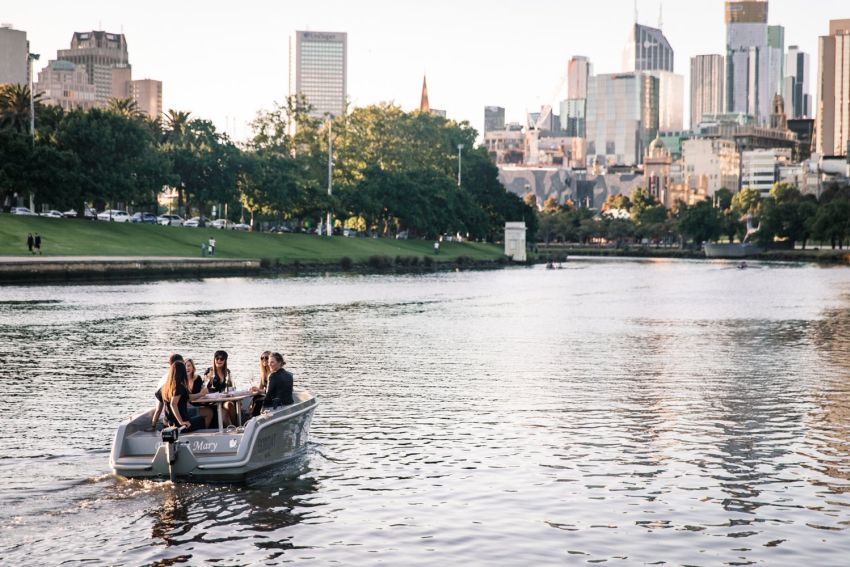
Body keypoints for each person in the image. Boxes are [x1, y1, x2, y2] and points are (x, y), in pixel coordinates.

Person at [160, 360, 209, 431]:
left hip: (168, 421)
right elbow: (173, 404)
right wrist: (181, 422)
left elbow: (187, 397)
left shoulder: (166, 386)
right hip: (180, 424)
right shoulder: (179, 387)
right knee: (207, 415)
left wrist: (200, 394)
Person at [151, 353, 184, 429]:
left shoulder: (163, 383)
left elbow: (158, 409)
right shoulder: (179, 384)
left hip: (165, 420)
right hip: (177, 421)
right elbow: (174, 404)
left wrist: (153, 425)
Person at [204, 350, 235, 424]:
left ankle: (235, 425)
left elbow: (231, 387)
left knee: (230, 404)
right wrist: (210, 380)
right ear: (214, 359)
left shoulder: (227, 372)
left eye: (222, 359)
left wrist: (230, 392)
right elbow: (205, 388)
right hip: (213, 401)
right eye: (217, 358)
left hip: (224, 399)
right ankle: (232, 427)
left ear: (225, 360)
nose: (219, 360)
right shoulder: (209, 371)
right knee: (224, 413)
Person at [248, 350, 271, 417]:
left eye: (266, 357)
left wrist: (258, 390)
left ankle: (254, 418)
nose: (264, 359)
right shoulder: (263, 374)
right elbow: (260, 389)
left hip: (272, 396)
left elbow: (268, 390)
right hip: (265, 395)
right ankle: (252, 417)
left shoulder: (272, 373)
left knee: (258, 402)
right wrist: (251, 398)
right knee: (256, 398)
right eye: (262, 358)